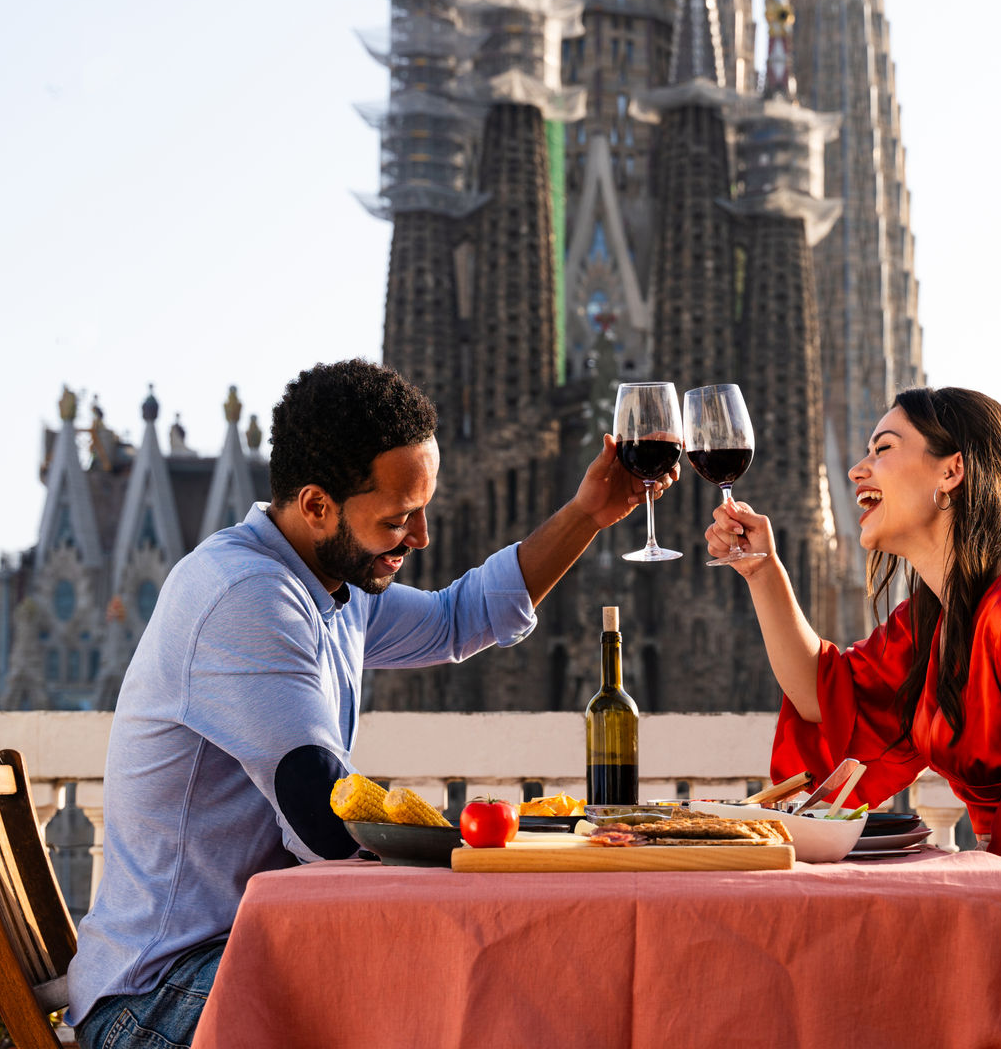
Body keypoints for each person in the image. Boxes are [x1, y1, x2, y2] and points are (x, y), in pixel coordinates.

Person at [69, 359, 676, 1049]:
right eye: (398, 519)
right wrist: (488, 844)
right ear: (317, 504)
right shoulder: (247, 596)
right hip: (161, 997)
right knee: (463, 999)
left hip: (243, 951)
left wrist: (588, 515)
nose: (419, 539)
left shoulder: (328, 584)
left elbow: (458, 618)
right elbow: (324, 816)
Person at [705, 386, 1001, 1044]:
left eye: (883, 450)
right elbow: (829, 695)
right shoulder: (936, 619)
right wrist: (762, 572)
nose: (857, 469)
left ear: (951, 471)